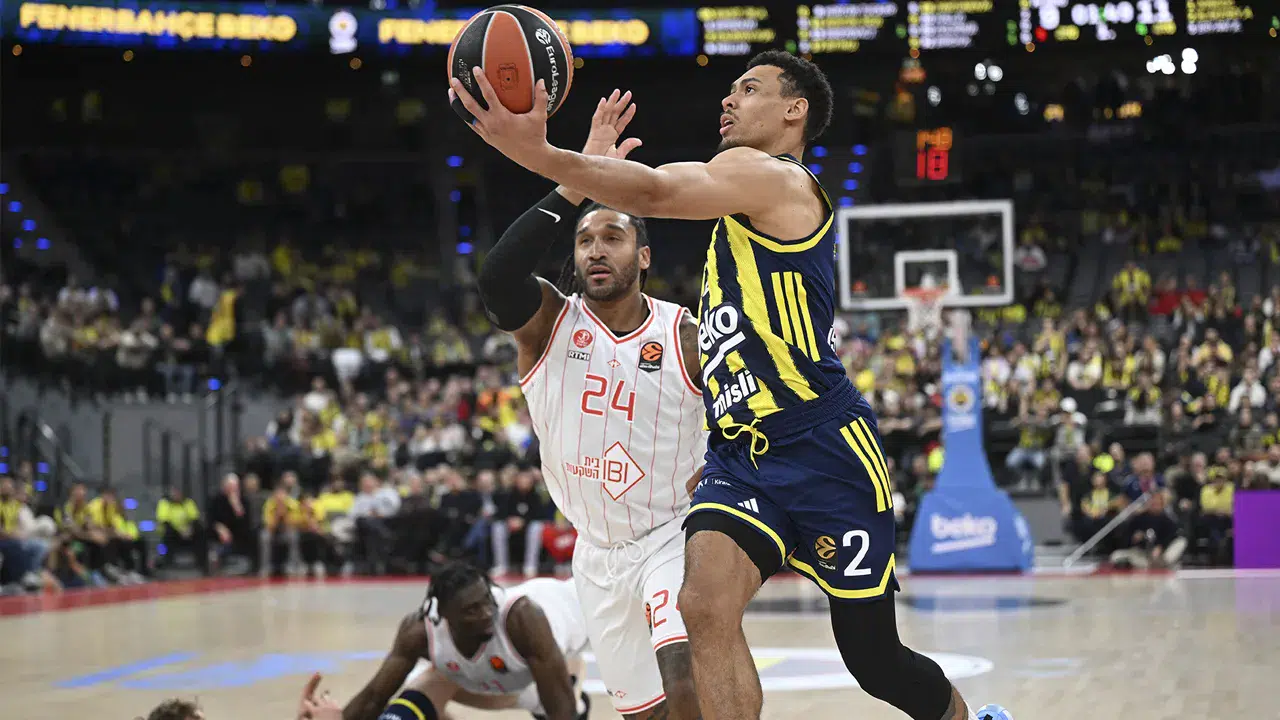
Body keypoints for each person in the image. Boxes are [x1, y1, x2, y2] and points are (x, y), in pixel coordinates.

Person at [450, 50, 1002, 720]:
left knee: (874, 659)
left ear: (794, 110)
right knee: (703, 606)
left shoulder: (773, 177)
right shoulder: (736, 215)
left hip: (822, 444)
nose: (727, 100)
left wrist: (538, 154)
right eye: (731, 89)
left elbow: (655, 192)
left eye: (749, 88)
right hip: (743, 458)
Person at [471, 89, 706, 719]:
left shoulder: (686, 333)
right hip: (596, 552)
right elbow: (496, 279)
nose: (596, 249)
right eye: (584, 240)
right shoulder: (549, 323)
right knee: (646, 712)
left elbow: (746, 417)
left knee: (685, 673)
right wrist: (575, 179)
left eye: (613, 237)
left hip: (674, 534)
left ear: (644, 256)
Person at [339, 562, 590, 720]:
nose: (486, 613)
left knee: (562, 705)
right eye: (472, 610)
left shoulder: (522, 618)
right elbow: (373, 698)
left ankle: (569, 695)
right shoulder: (419, 632)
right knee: (416, 683)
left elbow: (562, 713)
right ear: (444, 615)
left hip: (586, 612)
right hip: (509, 675)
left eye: (487, 600)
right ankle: (543, 699)